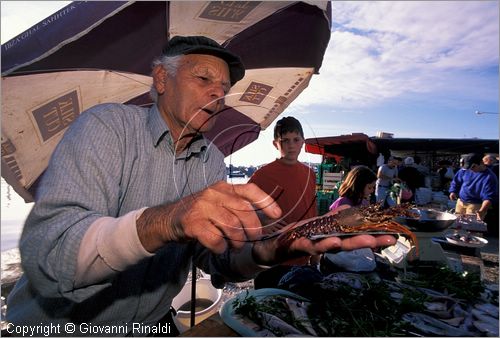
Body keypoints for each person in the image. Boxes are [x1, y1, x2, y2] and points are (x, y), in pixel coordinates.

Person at [6, 36, 396, 335]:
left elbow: (220, 261)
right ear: (161, 79)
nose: (218, 92)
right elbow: (50, 257)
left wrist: (269, 250)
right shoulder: (107, 127)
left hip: (153, 323)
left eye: (224, 87)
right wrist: (167, 221)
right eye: (204, 78)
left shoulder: (211, 161)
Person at [248, 116, 318, 289]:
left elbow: (312, 212)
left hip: (303, 255)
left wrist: (315, 252)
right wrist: (262, 222)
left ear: (303, 142)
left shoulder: (310, 173)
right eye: (285, 140)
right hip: (273, 258)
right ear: (275, 144)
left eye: (296, 140)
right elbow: (240, 208)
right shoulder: (262, 175)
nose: (291, 145)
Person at [323, 166, 378, 273]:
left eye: (373, 188)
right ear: (358, 186)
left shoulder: (363, 202)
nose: (371, 191)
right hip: (339, 249)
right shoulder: (343, 203)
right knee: (366, 266)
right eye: (370, 188)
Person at [449, 153, 498, 220]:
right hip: (460, 202)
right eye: (469, 168)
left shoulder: (489, 177)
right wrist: (453, 191)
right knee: (457, 223)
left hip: (475, 205)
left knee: (470, 226)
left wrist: (482, 210)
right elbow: (456, 180)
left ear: (481, 163)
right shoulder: (465, 170)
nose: (471, 169)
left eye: (473, 167)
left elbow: (489, 197)